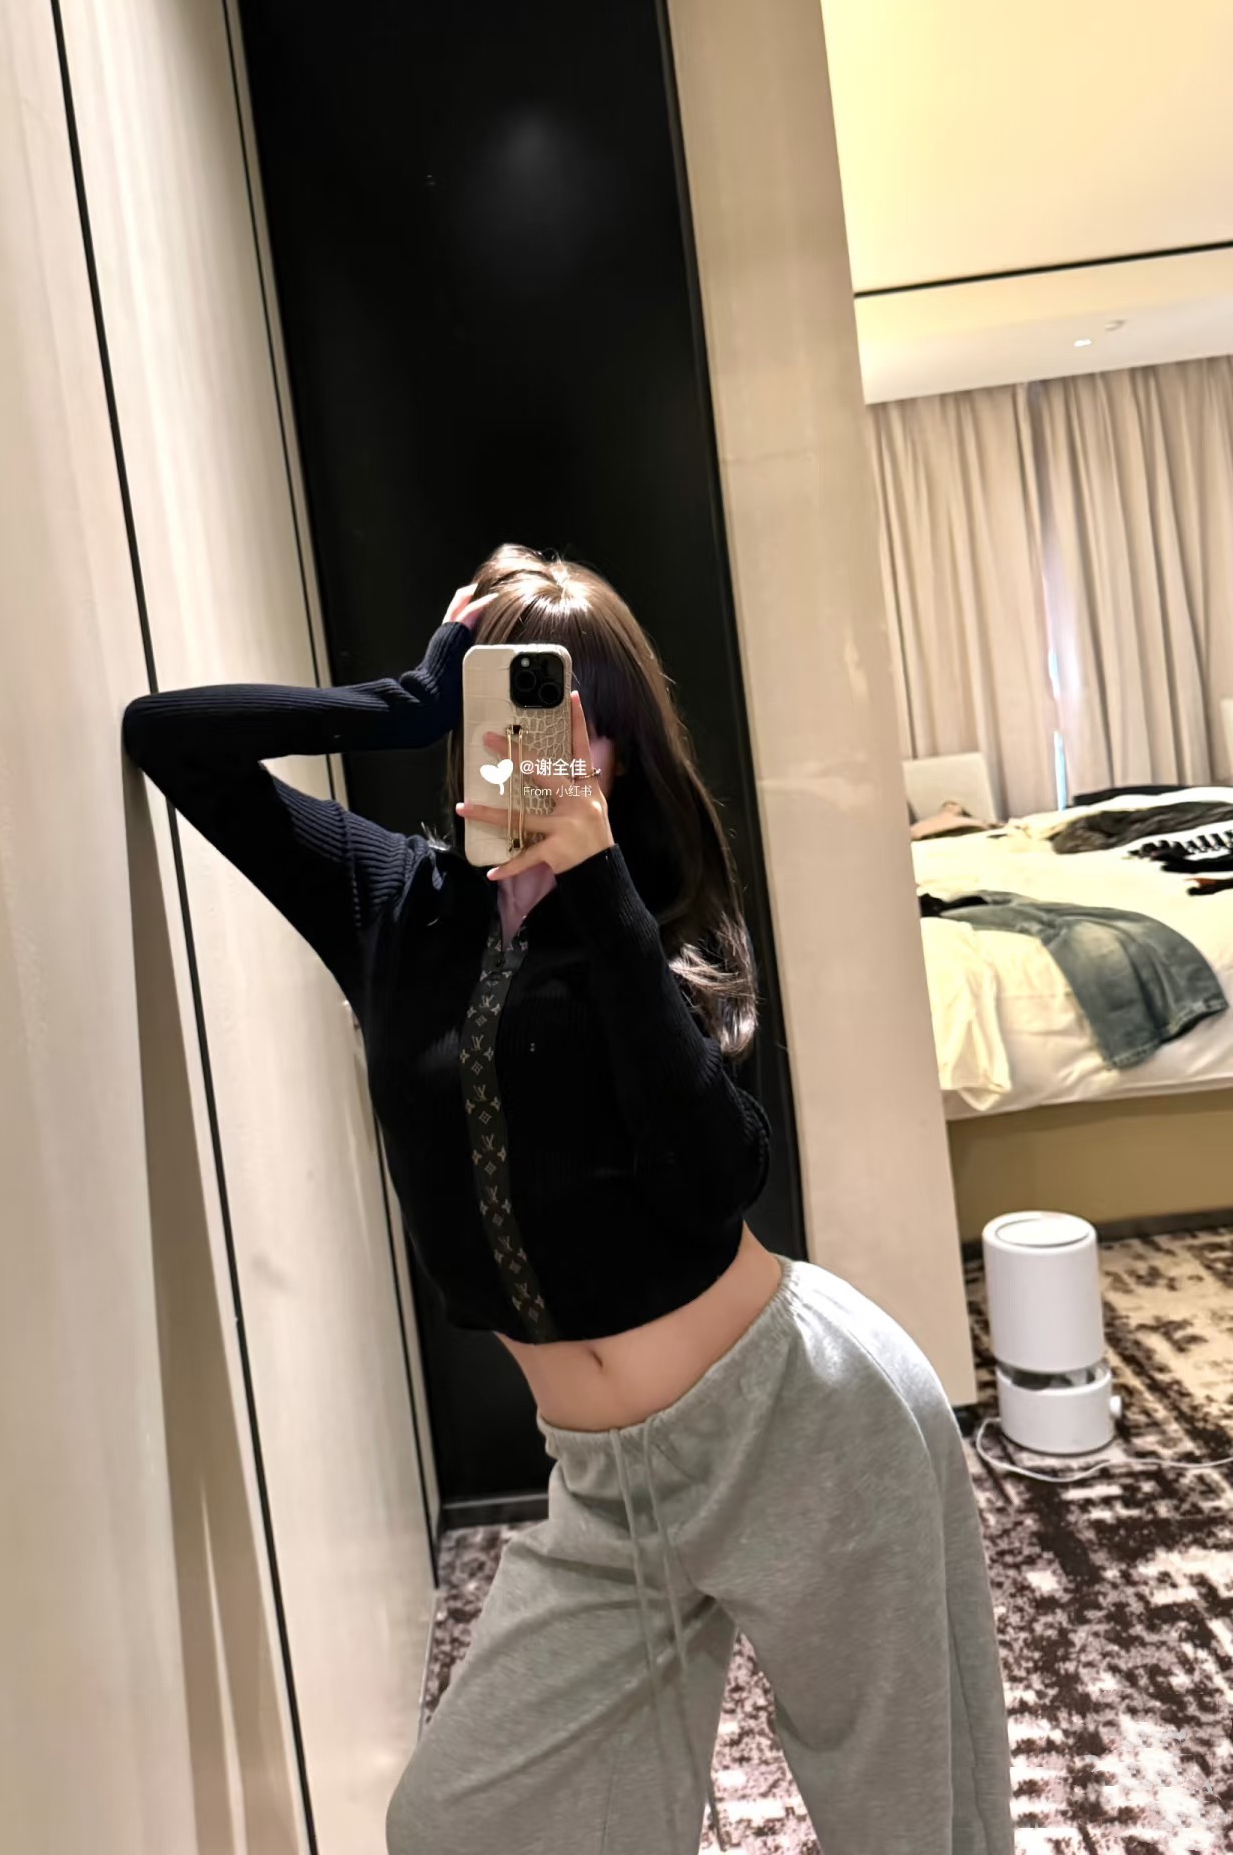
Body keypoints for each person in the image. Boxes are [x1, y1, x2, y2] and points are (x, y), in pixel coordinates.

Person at [121, 544, 1015, 1855]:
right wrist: (400, 701)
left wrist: (597, 893)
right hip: (604, 1485)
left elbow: (714, 1181)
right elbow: (168, 738)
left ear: (623, 748)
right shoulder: (393, 903)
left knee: (903, 1819)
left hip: (801, 1428)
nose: (545, 745)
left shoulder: (658, 919)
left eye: (576, 718)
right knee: (456, 1821)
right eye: (515, 701)